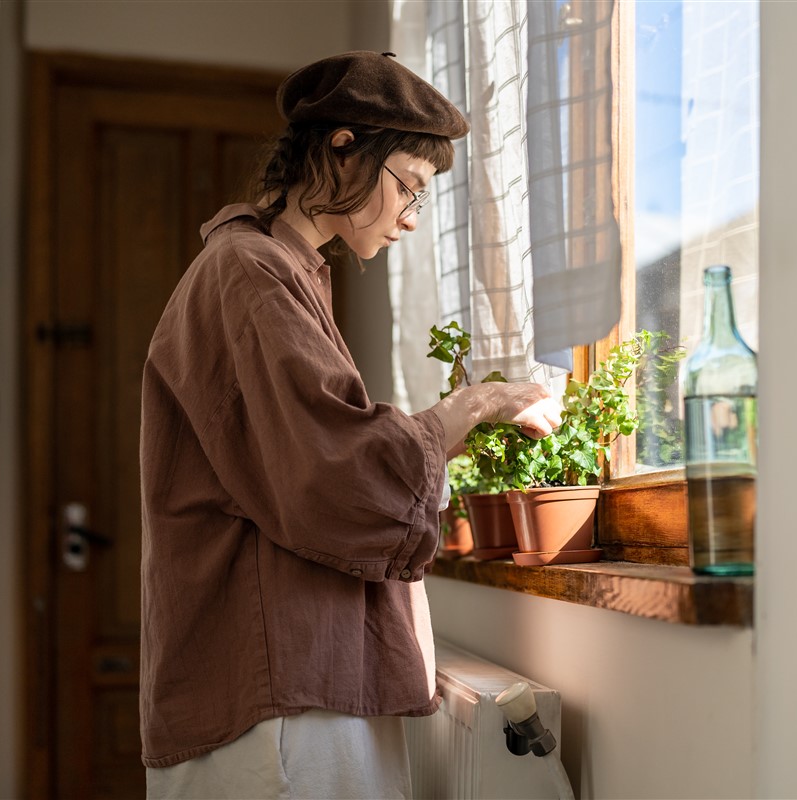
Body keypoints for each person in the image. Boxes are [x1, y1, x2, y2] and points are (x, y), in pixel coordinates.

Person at [138, 51, 562, 799]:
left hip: (287, 687)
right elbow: (333, 472)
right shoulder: (252, 271)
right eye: (410, 185)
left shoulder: (282, 269)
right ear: (341, 148)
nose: (410, 214)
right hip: (277, 697)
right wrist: (474, 404)